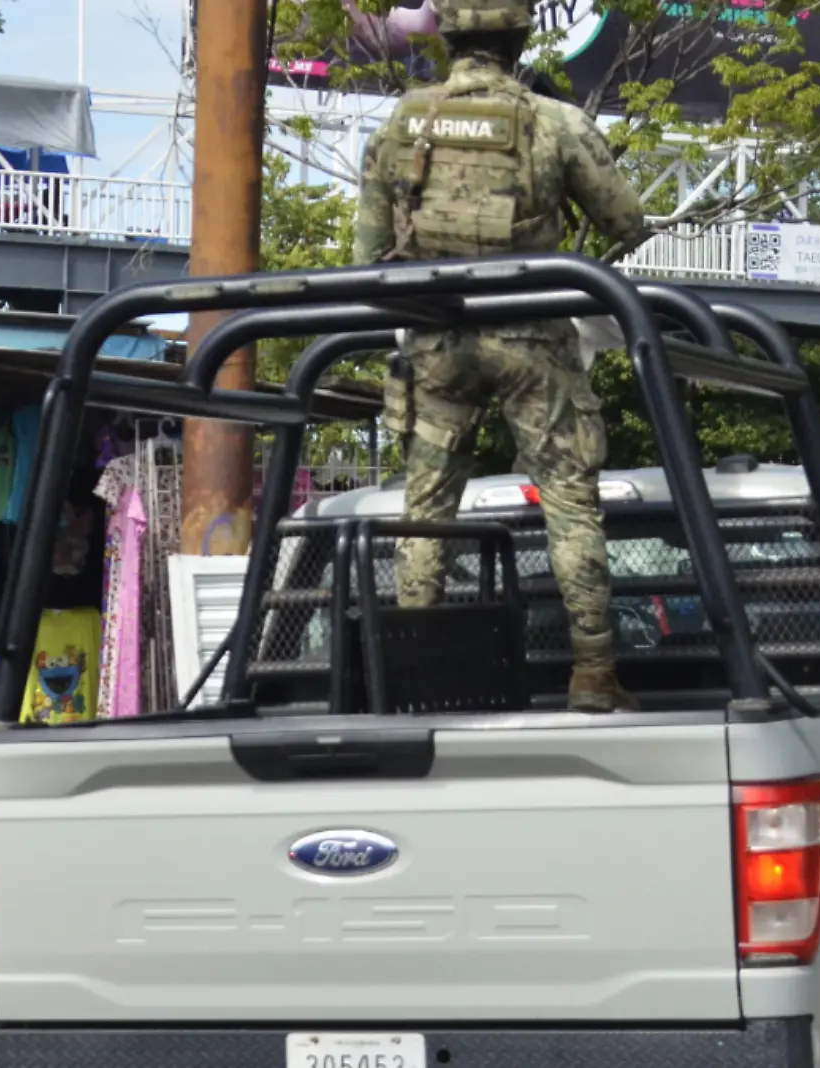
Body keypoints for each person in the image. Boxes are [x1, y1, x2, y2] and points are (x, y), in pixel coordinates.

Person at [351, 0, 649, 711]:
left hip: (436, 341)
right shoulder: (554, 121)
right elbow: (627, 220)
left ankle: (415, 681)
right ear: (520, 37)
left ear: (449, 36)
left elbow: (365, 256)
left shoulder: (402, 120)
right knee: (571, 504)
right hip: (533, 340)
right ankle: (594, 676)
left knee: (425, 512)